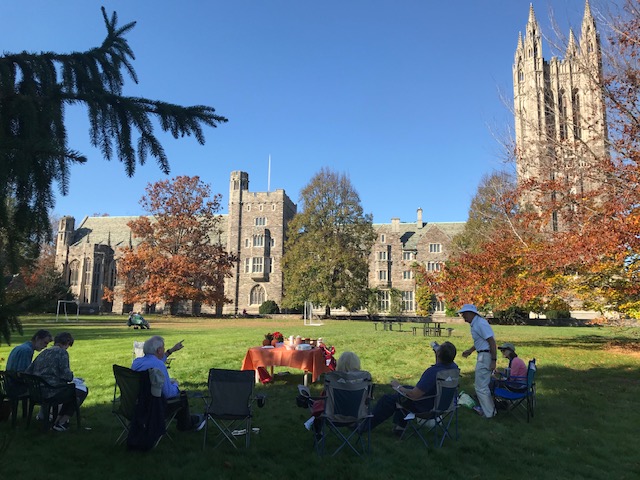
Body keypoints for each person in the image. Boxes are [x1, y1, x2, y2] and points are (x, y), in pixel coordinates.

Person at [369, 341, 458, 435]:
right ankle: (400, 427)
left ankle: (365, 426)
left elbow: (414, 395)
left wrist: (398, 386)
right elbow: (444, 360)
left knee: (389, 399)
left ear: (439, 354)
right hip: (445, 406)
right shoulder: (454, 368)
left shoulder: (432, 372)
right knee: (406, 390)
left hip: (427, 408)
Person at [131, 335, 205, 431]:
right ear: (159, 350)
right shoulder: (159, 365)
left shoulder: (136, 362)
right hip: (155, 407)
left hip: (137, 405)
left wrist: (171, 350)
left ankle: (188, 420)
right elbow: (169, 394)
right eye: (163, 348)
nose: (164, 349)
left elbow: (154, 361)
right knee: (181, 397)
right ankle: (186, 424)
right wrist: (175, 384)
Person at [25, 332, 88, 432]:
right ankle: (61, 422)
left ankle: (48, 417)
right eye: (68, 346)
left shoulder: (43, 352)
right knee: (80, 391)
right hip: (51, 392)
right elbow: (66, 376)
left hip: (36, 391)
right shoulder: (62, 353)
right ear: (66, 343)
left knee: (70, 390)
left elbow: (28, 371)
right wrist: (73, 377)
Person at [459, 304, 497, 418]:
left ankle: (488, 413)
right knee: (482, 385)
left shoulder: (480, 323)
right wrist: (470, 350)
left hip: (485, 356)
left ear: (471, 313)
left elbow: (491, 341)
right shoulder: (476, 324)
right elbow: (481, 341)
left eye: (464, 314)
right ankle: (490, 411)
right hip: (483, 354)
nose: (463, 317)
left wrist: (494, 360)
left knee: (481, 386)